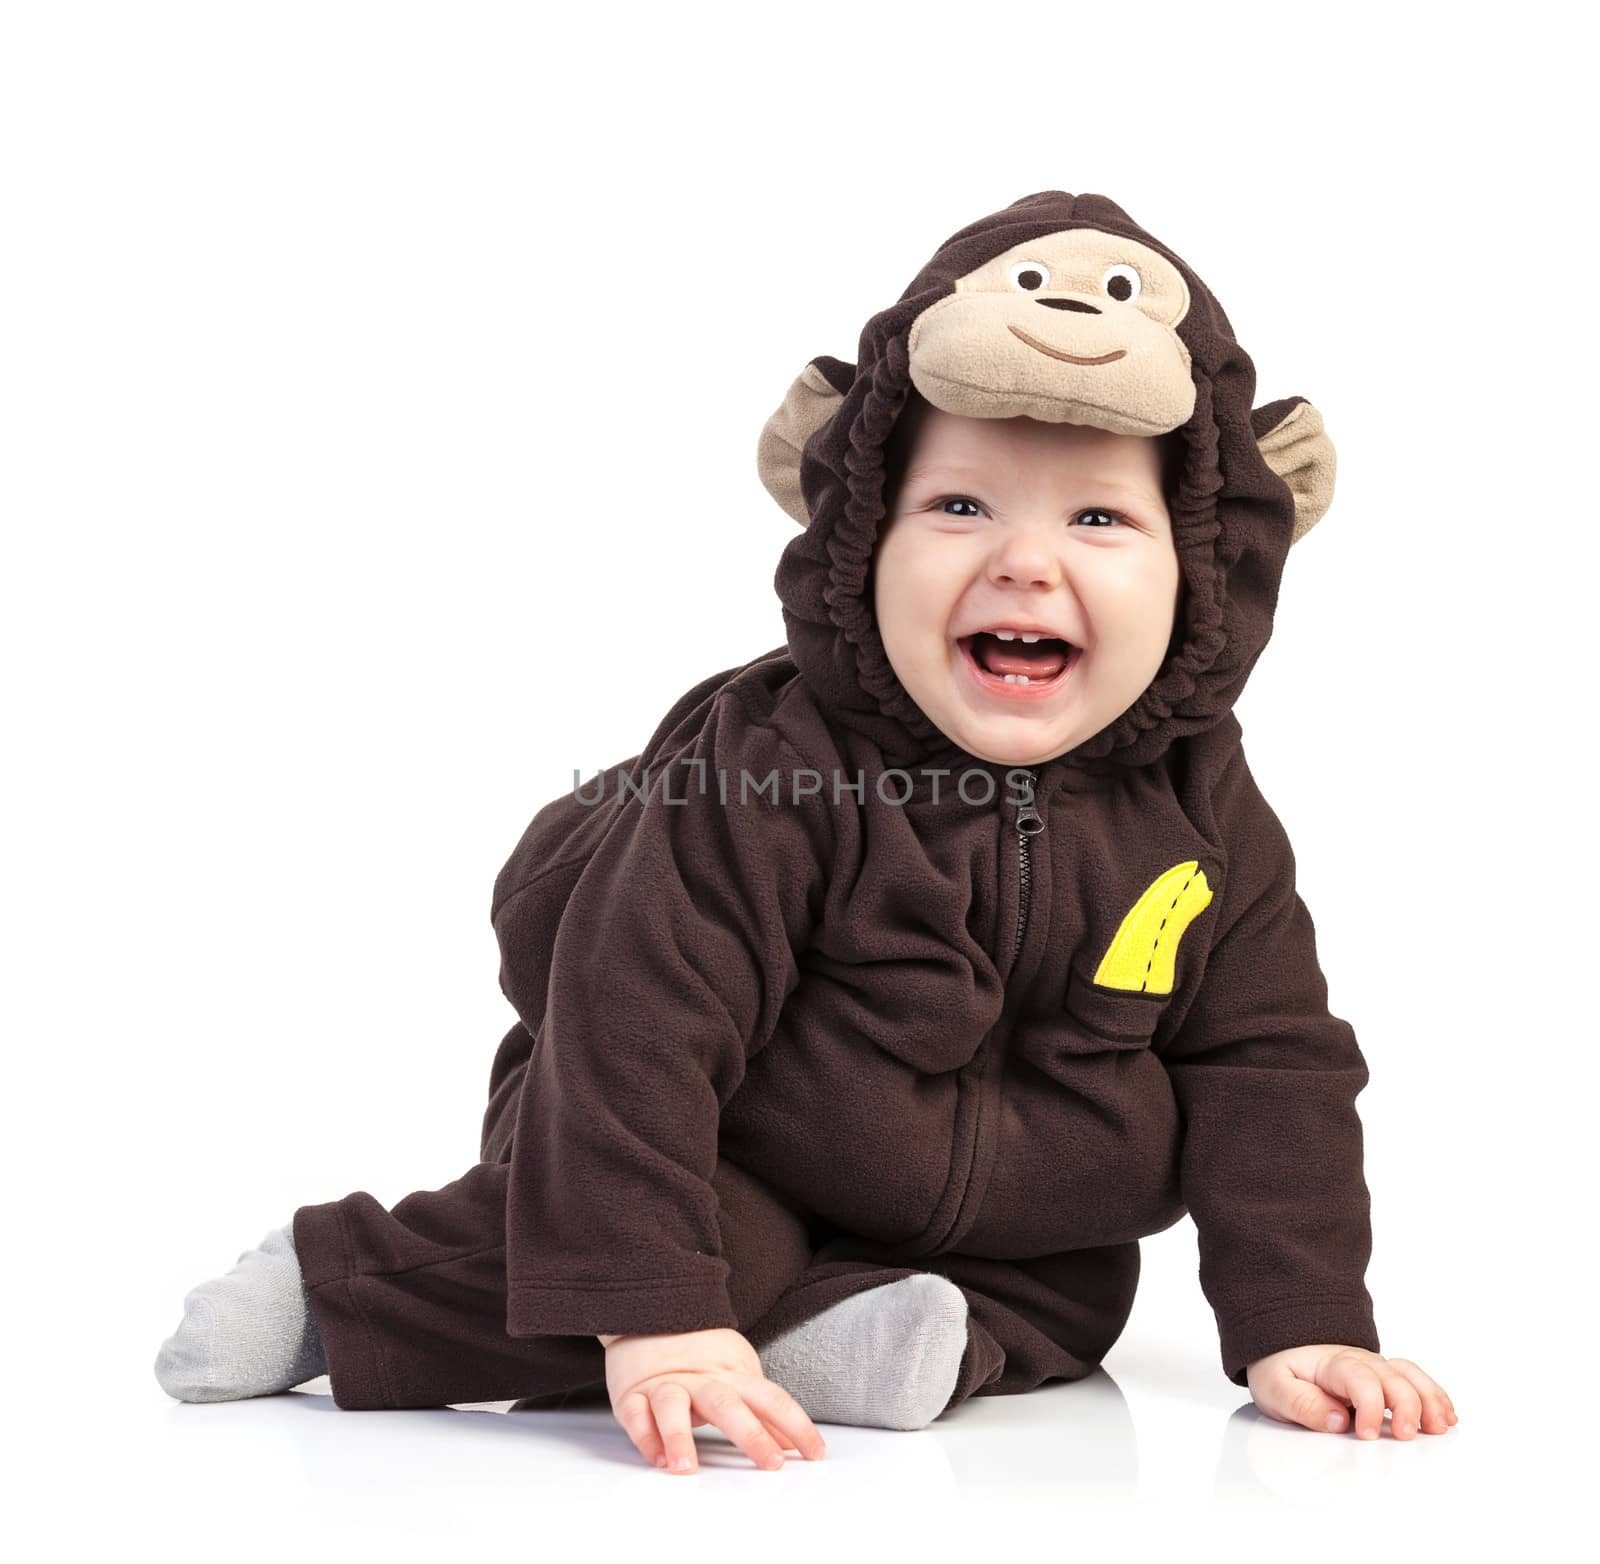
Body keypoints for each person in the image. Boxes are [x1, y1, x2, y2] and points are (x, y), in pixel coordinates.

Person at [154, 189, 1458, 1474]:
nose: (1023, 561)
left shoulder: (1205, 808)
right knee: (667, 1249)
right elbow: (636, 1019)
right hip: (713, 1143)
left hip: (1015, 1228)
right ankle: (345, 1287)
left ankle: (838, 1337)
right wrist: (659, 1318)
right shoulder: (777, 769)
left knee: (1073, 1296)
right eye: (960, 507)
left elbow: (1269, 1061)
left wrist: (1307, 1318)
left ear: (1201, 573)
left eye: (1099, 519)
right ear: (858, 538)